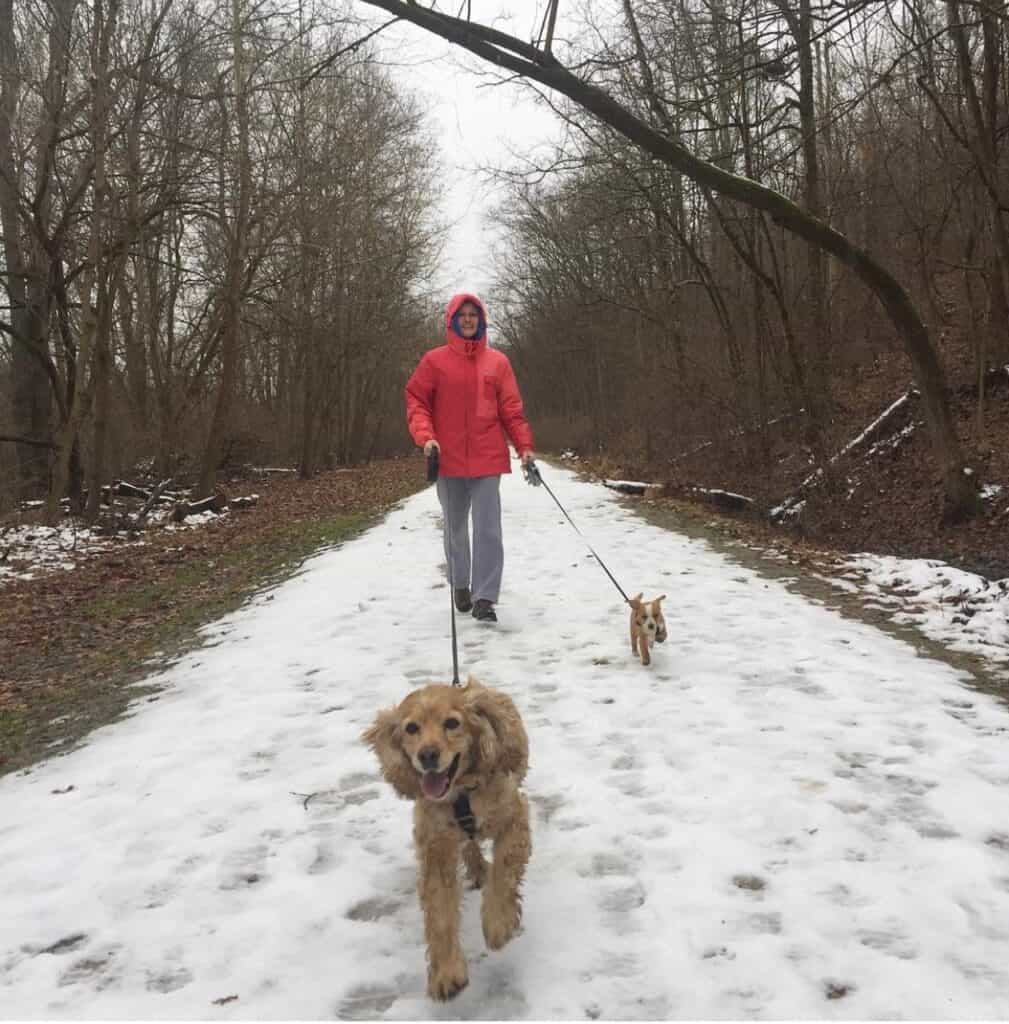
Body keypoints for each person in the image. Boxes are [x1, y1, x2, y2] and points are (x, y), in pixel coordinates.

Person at [405, 293, 535, 623]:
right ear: (451, 320)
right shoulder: (434, 362)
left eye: (473, 314)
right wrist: (427, 438)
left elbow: (512, 412)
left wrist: (524, 449)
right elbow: (417, 401)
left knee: (489, 529)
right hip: (447, 461)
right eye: (461, 314)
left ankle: (485, 597)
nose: (467, 319)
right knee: (455, 529)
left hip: (487, 459)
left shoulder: (498, 363)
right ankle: (461, 583)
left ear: (481, 320)